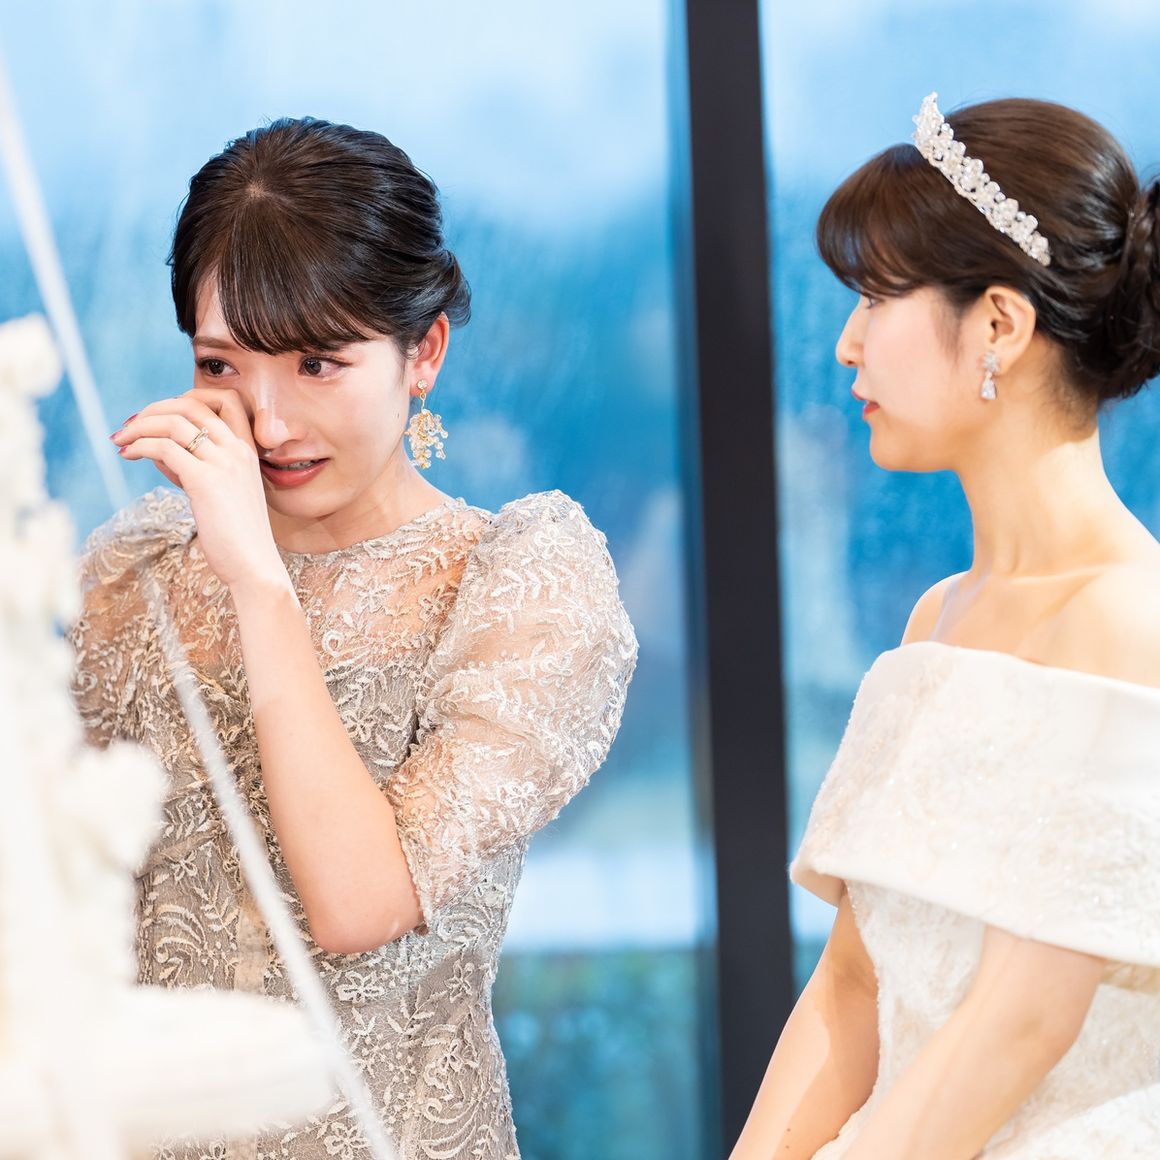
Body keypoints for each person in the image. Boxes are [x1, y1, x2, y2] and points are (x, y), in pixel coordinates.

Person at [68, 117, 638, 1160]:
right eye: (221, 365)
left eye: (318, 362)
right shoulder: (130, 576)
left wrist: (258, 581)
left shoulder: (514, 583)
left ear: (425, 352)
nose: (269, 422)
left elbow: (358, 902)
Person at [732, 93, 1160, 1159]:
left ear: (999, 326)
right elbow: (852, 980)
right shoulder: (936, 618)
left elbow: (1019, 1021)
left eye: (877, 297)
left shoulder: (1129, 620)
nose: (846, 344)